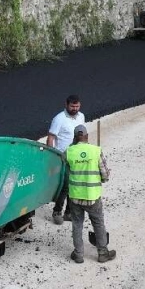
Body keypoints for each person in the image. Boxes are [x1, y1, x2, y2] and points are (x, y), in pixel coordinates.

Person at [65, 124, 115, 264]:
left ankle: (79, 254)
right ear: (87, 136)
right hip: (92, 196)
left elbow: (67, 173)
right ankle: (102, 253)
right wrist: (102, 179)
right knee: (98, 223)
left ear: (75, 138)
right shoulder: (96, 151)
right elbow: (105, 175)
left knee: (77, 224)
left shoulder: (69, 152)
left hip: (75, 196)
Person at [44, 95, 85, 225]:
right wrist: (51, 156)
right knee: (66, 186)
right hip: (63, 157)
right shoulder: (59, 119)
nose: (75, 109)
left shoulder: (81, 117)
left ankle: (68, 212)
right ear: (66, 105)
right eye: (72, 106)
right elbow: (50, 138)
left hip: (77, 156)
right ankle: (57, 212)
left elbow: (82, 135)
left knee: (75, 185)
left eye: (77, 106)